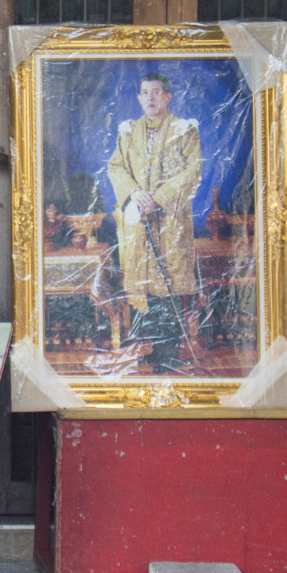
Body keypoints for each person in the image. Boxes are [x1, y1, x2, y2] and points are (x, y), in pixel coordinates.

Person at [103, 72, 202, 373]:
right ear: (138, 97)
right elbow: (116, 166)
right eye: (145, 92)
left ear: (168, 97)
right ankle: (151, 347)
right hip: (138, 223)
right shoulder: (128, 131)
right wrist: (135, 193)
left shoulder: (184, 131)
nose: (150, 98)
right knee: (143, 287)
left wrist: (157, 198)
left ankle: (168, 352)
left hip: (170, 223)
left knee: (167, 284)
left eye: (157, 92)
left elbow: (192, 171)